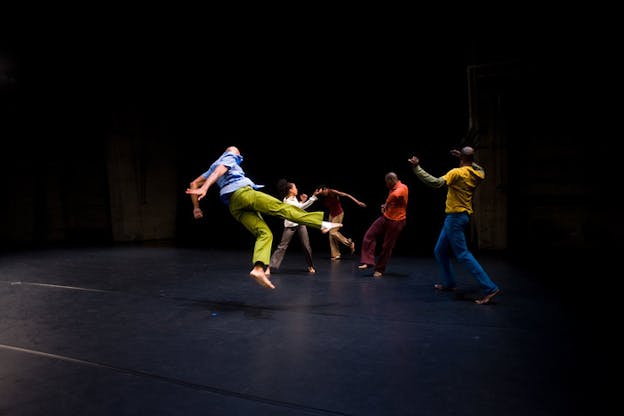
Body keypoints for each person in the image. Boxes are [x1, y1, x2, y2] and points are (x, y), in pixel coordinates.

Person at [185, 146, 343, 289]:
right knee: (283, 209)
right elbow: (220, 169)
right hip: (244, 194)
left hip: (234, 206)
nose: (239, 155)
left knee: (264, 233)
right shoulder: (229, 156)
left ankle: (258, 269)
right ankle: (321, 223)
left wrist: (196, 208)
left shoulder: (210, 168)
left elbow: (193, 184)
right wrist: (205, 188)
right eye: (238, 153)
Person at [407, 146, 501, 304]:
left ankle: (490, 288)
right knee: (440, 251)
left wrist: (417, 168)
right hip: (460, 217)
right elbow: (481, 168)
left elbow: (436, 183)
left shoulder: (456, 173)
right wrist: (465, 158)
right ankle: (450, 283)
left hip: (455, 218)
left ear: (461, 159)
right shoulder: (478, 173)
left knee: (463, 254)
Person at [357, 172, 408, 278]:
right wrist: (385, 205)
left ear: (391, 181)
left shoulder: (402, 188)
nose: (386, 185)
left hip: (397, 222)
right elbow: (391, 198)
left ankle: (380, 269)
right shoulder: (393, 187)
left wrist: (387, 202)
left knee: (387, 246)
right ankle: (368, 261)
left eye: (386, 183)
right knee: (369, 235)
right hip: (386, 217)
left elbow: (396, 194)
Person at [266, 179, 319, 276]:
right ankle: (270, 267)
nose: (297, 189)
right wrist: (313, 197)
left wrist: (302, 201)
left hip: (300, 223)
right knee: (282, 246)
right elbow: (299, 208)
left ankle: (310, 265)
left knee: (306, 245)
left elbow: (298, 207)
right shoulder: (287, 201)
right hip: (290, 225)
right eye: (295, 188)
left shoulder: (294, 198)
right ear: (290, 190)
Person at [315, 186, 366, 260]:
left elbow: (346, 195)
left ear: (325, 189)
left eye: (322, 192)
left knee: (333, 232)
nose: (322, 194)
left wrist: (358, 202)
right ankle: (336, 255)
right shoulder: (322, 196)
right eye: (321, 193)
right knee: (331, 235)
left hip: (338, 214)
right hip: (331, 215)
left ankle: (350, 244)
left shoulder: (332, 192)